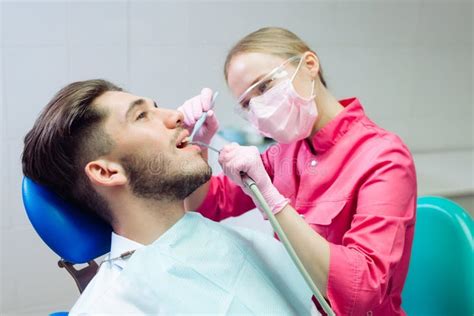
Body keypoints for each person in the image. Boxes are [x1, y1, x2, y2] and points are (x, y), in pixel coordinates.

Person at [21, 79, 317, 315]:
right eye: (141, 116)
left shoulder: (227, 238)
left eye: (156, 107)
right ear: (107, 172)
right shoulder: (113, 306)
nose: (176, 115)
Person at [183, 27, 417, 315]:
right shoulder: (285, 153)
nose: (258, 106)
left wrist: (272, 199)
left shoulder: (383, 157)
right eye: (246, 103)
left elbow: (362, 290)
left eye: (264, 86)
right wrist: (198, 147)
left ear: (309, 65)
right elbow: (205, 204)